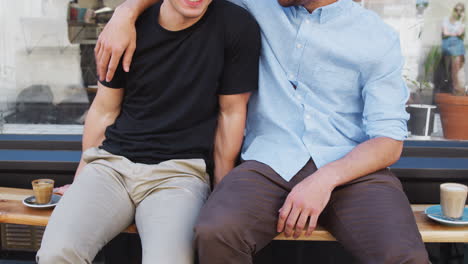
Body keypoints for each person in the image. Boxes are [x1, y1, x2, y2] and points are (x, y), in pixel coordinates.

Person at [96, 0, 430, 263]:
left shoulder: (377, 37)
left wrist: (323, 180)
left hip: (351, 169)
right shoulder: (256, 3)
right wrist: (126, 11)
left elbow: (388, 142)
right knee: (216, 232)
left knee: (403, 256)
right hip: (269, 163)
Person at [36, 0, 260, 263]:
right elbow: (104, 110)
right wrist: (80, 178)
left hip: (180, 175)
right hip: (112, 167)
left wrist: (222, 194)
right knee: (57, 253)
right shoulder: (127, 27)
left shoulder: (235, 26)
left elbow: (230, 114)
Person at [442, 2, 466, 96]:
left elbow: (460, 33)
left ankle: (456, 88)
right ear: (453, 10)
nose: (458, 12)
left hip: (458, 46)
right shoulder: (446, 20)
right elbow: (445, 32)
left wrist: (462, 20)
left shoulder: (462, 22)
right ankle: (455, 88)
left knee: (457, 68)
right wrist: (454, 33)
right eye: (456, 9)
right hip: (448, 46)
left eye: (461, 10)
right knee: (452, 68)